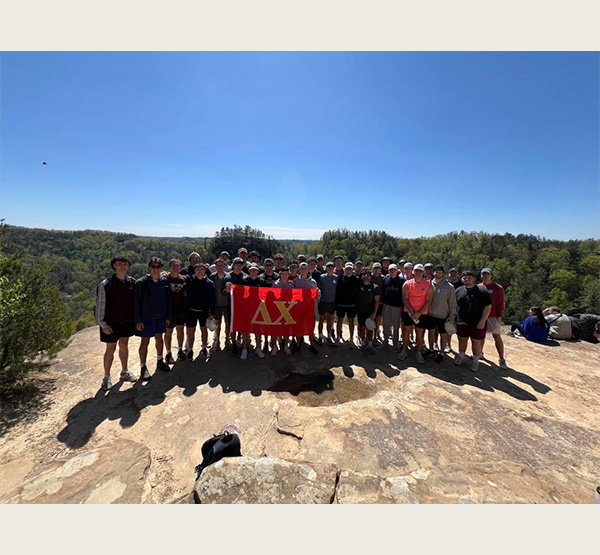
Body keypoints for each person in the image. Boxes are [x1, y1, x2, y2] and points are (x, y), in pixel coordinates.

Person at [95, 255, 137, 390]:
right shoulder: (106, 284)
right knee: (110, 349)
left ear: (128, 266)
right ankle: (106, 377)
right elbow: (100, 305)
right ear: (114, 266)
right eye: (119, 264)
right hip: (111, 323)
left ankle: (124, 372)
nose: (122, 267)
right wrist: (103, 325)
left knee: (124, 345)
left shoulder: (132, 282)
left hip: (126, 321)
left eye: (125, 264)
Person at [134, 257, 172, 380]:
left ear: (161, 268)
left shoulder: (164, 282)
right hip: (146, 318)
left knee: (159, 338)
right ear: (149, 268)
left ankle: (160, 361)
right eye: (153, 267)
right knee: (145, 341)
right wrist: (138, 320)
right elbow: (136, 302)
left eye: (158, 267)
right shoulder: (141, 282)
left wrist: (168, 316)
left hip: (160, 316)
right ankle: (143, 367)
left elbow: (168, 300)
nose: (156, 269)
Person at [454, 270, 492, 372]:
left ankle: (475, 361)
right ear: (462, 279)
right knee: (462, 340)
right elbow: (454, 306)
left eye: (469, 278)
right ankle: (461, 357)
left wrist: (483, 321)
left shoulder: (482, 291)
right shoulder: (458, 291)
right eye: (465, 278)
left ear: (474, 279)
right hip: (462, 321)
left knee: (476, 342)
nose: (467, 279)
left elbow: (488, 307)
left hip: (477, 322)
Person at [398, 264, 434, 363]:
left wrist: (419, 312)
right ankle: (404, 350)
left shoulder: (428, 284)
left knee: (420, 333)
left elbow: (428, 300)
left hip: (422, 313)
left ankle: (419, 353)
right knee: (406, 332)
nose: (418, 273)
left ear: (423, 272)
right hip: (408, 312)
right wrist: (412, 311)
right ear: (413, 272)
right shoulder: (407, 284)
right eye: (416, 271)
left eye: (420, 271)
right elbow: (405, 299)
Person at [184, 263, 216, 360]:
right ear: (194, 271)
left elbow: (212, 299)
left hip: (204, 311)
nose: (200, 271)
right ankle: (190, 350)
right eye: (197, 269)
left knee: (204, 330)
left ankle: (204, 348)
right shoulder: (189, 281)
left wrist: (212, 313)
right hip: (191, 310)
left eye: (201, 269)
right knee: (191, 331)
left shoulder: (210, 283)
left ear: (205, 270)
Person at [479, 268, 508, 369]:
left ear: (491, 275)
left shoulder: (498, 288)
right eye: (483, 274)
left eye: (487, 274)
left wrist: (499, 316)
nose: (485, 275)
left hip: (493, 316)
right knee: (480, 336)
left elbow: (501, 303)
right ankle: (480, 353)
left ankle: (502, 358)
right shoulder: (479, 287)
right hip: (481, 316)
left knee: (497, 337)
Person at [428, 265, 457, 361]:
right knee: (431, 332)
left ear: (443, 274)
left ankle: (441, 352)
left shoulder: (449, 286)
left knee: (443, 334)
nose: (438, 274)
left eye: (440, 272)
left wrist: (452, 316)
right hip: (430, 313)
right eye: (436, 272)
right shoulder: (429, 283)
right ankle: (431, 349)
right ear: (434, 273)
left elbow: (452, 302)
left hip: (443, 315)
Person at [293, 262, 319, 354]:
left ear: (308, 270)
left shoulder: (313, 282)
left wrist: (317, 293)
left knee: (311, 327)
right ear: (299, 270)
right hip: (299, 309)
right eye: (302, 269)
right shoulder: (296, 282)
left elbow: (317, 296)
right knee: (299, 327)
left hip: (310, 309)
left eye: (305, 269)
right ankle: (298, 345)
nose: (303, 271)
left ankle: (312, 344)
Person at [241, 263, 266, 360]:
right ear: (249, 271)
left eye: (255, 270)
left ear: (258, 271)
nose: (253, 272)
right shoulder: (244, 281)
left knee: (258, 329)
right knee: (245, 329)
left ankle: (258, 348)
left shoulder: (262, 281)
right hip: (247, 308)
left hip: (259, 308)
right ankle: (244, 348)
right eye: (251, 270)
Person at [165, 259, 187, 364]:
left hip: (181, 309)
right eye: (173, 265)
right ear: (169, 267)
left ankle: (180, 350)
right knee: (168, 332)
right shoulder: (165, 279)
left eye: (178, 266)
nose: (176, 267)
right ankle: (168, 353)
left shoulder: (183, 279)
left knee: (180, 330)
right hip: (169, 310)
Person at [224, 257, 247, 356]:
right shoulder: (227, 278)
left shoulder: (245, 277)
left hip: (242, 306)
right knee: (231, 326)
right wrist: (227, 290)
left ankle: (243, 342)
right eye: (237, 264)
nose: (239, 266)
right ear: (233, 265)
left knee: (242, 325)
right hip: (231, 305)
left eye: (240, 264)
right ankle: (233, 344)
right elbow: (222, 292)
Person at [379, 263, 405, 351]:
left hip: (397, 306)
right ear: (388, 271)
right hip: (386, 305)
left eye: (394, 270)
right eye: (390, 270)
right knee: (385, 324)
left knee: (396, 326)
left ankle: (395, 343)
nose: (392, 271)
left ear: (396, 271)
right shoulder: (385, 279)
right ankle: (385, 341)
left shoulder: (401, 281)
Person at [209, 258, 231, 352]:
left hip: (227, 304)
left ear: (225, 266)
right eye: (218, 265)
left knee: (227, 324)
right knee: (217, 324)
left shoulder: (228, 277)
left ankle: (227, 340)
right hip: (216, 304)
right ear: (215, 266)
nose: (220, 267)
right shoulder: (212, 277)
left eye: (221, 265)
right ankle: (217, 341)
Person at [335, 262, 360, 346]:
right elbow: (337, 292)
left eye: (350, 269)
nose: (349, 270)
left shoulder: (356, 280)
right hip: (341, 304)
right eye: (347, 269)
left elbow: (358, 293)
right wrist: (336, 304)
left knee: (351, 322)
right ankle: (337, 337)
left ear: (353, 270)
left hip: (352, 305)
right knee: (339, 321)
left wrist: (357, 305)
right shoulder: (340, 278)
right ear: (345, 269)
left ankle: (351, 338)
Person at [356, 270, 380, 351]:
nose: (366, 276)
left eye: (368, 275)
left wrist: (374, 313)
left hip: (370, 311)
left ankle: (370, 343)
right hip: (360, 311)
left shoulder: (375, 287)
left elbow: (377, 302)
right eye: (365, 274)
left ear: (371, 277)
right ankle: (363, 341)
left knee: (370, 328)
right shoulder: (359, 285)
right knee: (361, 327)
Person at [272, 266, 294, 356]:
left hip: (288, 309)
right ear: (280, 275)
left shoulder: (291, 285)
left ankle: (285, 345)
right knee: (275, 329)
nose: (284, 276)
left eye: (286, 274)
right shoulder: (275, 284)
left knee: (287, 328)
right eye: (283, 274)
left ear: (288, 275)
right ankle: (274, 345)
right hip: (277, 309)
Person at [317, 261, 339, 345]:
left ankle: (329, 335)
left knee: (330, 320)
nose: (330, 269)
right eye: (328, 267)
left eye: (331, 267)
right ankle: (320, 335)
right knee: (321, 319)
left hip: (332, 302)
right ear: (326, 268)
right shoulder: (322, 277)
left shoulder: (336, 278)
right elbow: (319, 287)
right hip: (323, 301)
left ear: (333, 268)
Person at [371, 262, 385, 343]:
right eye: (375, 269)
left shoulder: (383, 278)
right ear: (372, 269)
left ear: (380, 270)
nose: (376, 271)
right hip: (370, 303)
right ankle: (369, 336)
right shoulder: (369, 277)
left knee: (378, 320)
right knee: (370, 320)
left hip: (380, 302)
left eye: (378, 269)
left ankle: (375, 335)